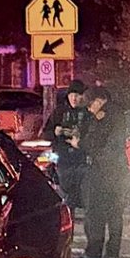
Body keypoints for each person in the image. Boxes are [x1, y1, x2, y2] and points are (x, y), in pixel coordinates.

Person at [80, 88, 130, 258]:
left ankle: (95, 253)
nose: (88, 109)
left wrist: (80, 143)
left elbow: (99, 144)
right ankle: (112, 253)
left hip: (103, 172)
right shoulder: (116, 114)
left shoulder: (106, 117)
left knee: (96, 213)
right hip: (117, 173)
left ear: (99, 101)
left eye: (89, 104)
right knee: (115, 213)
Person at [45, 79, 89, 208]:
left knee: (84, 196)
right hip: (64, 161)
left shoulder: (88, 113)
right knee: (66, 196)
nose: (74, 98)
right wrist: (55, 132)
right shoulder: (59, 112)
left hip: (83, 160)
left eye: (77, 95)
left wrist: (80, 136)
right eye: (72, 95)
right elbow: (45, 133)